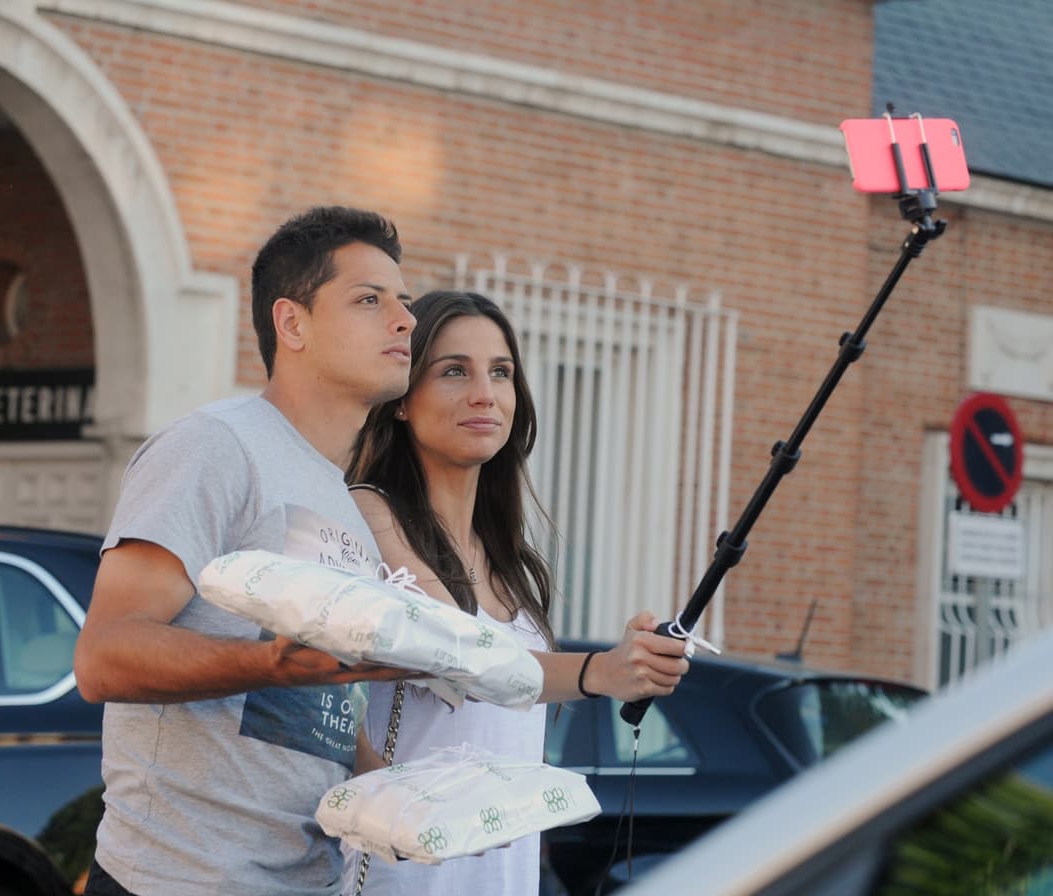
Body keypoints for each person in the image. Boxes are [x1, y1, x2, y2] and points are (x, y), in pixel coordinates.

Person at [73, 206, 423, 896]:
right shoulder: (215, 445)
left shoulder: (338, 496)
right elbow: (102, 656)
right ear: (291, 324)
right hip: (177, 880)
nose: (406, 321)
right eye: (369, 300)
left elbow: (308, 703)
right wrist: (271, 662)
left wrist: (388, 789)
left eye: (404, 303)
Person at [343, 290, 691, 895]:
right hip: (402, 879)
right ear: (402, 399)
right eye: (454, 371)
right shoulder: (369, 515)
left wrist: (631, 660)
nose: (485, 393)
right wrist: (602, 671)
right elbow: (457, 653)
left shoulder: (509, 560)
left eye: (500, 373)